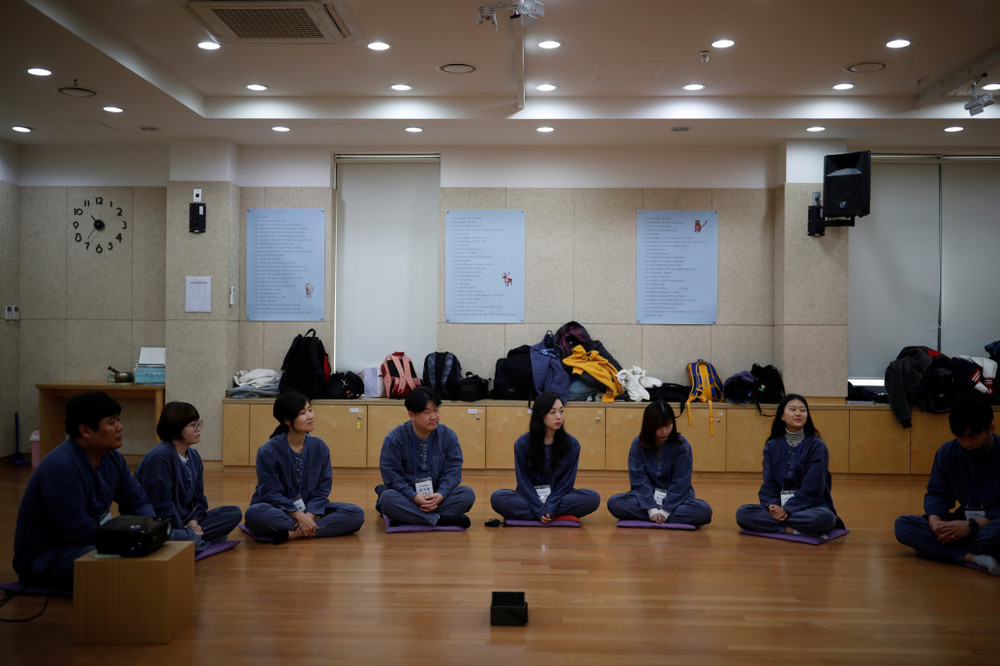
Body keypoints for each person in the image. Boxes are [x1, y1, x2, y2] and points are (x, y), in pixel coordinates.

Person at [13, 392, 155, 589]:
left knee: (169, 542)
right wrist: (130, 540)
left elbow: (137, 501)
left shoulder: (113, 458)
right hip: (51, 556)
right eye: (111, 422)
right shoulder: (61, 467)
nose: (120, 427)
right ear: (86, 430)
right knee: (127, 563)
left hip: (93, 543)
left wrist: (151, 531)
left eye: (118, 421)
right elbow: (78, 532)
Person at [894, 399, 1000, 575]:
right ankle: (971, 557)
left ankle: (942, 549)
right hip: (961, 522)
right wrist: (935, 521)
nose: (966, 443)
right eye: (960, 437)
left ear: (991, 428)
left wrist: (971, 526)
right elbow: (937, 493)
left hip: (990, 524)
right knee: (903, 526)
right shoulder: (947, 452)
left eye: (972, 437)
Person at [244, 392, 364, 542]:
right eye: (303, 413)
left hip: (310, 509)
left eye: (310, 410)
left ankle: (292, 533)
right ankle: (311, 528)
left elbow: (322, 490)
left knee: (356, 514)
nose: (310, 416)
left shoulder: (320, 447)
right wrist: (299, 516)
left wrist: (310, 515)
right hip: (279, 509)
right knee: (254, 514)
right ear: (287, 421)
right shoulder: (268, 451)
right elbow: (271, 494)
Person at [135, 402, 242, 551]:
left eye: (198, 424)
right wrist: (182, 528)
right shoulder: (160, 456)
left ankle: (189, 538)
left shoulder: (194, 456)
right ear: (176, 428)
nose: (198, 429)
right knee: (187, 537)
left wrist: (193, 521)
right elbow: (161, 505)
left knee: (233, 513)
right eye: (192, 425)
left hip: (186, 521)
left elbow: (199, 499)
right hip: (161, 523)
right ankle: (188, 539)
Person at [735, 393, 843, 537]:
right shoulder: (772, 445)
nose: (798, 413)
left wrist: (787, 509)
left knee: (825, 518)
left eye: (802, 410)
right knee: (743, 513)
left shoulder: (817, 446)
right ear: (782, 416)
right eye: (793, 409)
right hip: (780, 507)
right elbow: (768, 485)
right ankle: (794, 530)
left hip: (811, 507)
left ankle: (779, 526)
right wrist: (773, 507)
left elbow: (813, 489)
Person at [490, 391, 600, 522]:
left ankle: (540, 514)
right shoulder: (522, 443)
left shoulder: (572, 444)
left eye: (561, 411)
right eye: (553, 412)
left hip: (558, 496)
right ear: (540, 415)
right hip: (529, 496)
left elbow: (567, 483)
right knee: (498, 498)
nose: (559, 417)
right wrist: (538, 507)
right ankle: (550, 514)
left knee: (592, 498)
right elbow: (523, 481)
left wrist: (551, 505)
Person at [375, 386, 475, 528]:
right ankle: (439, 519)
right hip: (407, 496)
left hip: (436, 496)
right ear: (412, 415)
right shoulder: (395, 439)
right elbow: (392, 476)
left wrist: (441, 494)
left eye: (436, 411)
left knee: (467, 495)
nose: (434, 417)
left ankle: (409, 517)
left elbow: (453, 472)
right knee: (387, 499)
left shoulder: (448, 435)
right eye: (427, 413)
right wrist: (414, 497)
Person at [606, 401, 712, 526]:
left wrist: (666, 511)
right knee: (614, 503)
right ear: (649, 426)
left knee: (704, 511)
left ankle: (658, 517)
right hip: (647, 498)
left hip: (677, 500)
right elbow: (639, 480)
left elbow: (681, 483)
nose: (664, 431)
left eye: (668, 425)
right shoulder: (638, 444)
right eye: (659, 427)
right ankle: (657, 516)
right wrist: (651, 509)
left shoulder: (682, 445)